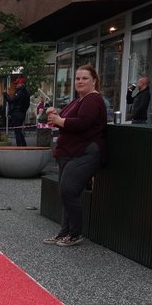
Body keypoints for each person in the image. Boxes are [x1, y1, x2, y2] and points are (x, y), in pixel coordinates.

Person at [44, 64, 107, 247]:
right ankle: (65, 233)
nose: (80, 82)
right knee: (65, 193)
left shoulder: (93, 100)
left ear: (94, 80)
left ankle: (74, 233)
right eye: (78, 78)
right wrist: (56, 116)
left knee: (68, 190)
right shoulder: (79, 100)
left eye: (84, 78)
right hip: (71, 151)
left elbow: (82, 123)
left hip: (85, 152)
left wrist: (60, 120)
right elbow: (64, 121)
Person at [5, 75, 31, 144]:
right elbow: (27, 104)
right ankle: (23, 144)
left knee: (17, 130)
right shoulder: (27, 92)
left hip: (17, 113)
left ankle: (19, 145)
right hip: (22, 113)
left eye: (17, 84)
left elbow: (11, 100)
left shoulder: (19, 92)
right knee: (19, 130)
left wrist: (5, 94)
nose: (16, 85)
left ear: (21, 84)